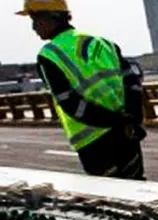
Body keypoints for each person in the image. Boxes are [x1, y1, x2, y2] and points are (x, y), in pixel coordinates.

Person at [19, 0, 146, 179]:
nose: (33, 28)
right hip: (126, 132)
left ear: (51, 18)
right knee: (137, 188)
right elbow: (133, 84)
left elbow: (71, 103)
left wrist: (115, 121)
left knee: (112, 199)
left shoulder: (49, 55)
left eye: (35, 20)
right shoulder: (103, 43)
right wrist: (133, 119)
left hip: (94, 143)